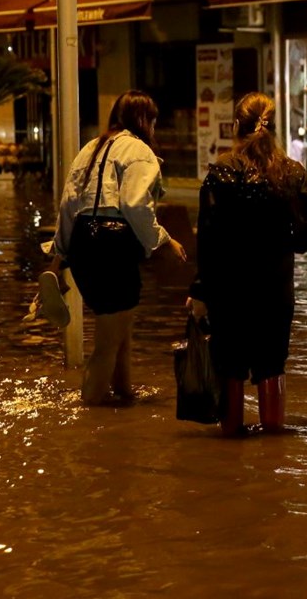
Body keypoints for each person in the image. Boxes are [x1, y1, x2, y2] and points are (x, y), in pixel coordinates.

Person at [187, 92, 307, 436]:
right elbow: (306, 239)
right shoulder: (291, 173)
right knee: (272, 364)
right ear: (273, 128)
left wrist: (199, 291)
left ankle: (231, 459)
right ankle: (273, 455)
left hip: (228, 291)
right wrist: (275, 241)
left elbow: (208, 242)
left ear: (236, 127)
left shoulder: (220, 174)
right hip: (274, 290)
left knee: (229, 367)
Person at [48, 90, 186, 405]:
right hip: (113, 243)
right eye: (152, 120)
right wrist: (163, 240)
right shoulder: (138, 150)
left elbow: (69, 204)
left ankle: (125, 393)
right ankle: (90, 418)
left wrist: (60, 255)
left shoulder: (89, 149)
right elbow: (135, 204)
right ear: (143, 119)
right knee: (107, 342)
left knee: (121, 326)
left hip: (84, 242)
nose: (154, 127)